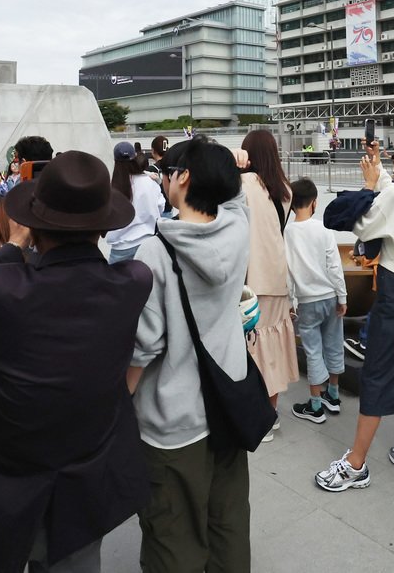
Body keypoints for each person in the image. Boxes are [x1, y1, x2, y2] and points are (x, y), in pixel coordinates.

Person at [0, 151, 152, 573]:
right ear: (103, 225)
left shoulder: (2, 287)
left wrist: (14, 245)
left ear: (35, 226)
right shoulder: (132, 283)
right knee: (75, 556)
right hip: (87, 464)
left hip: (1, 470)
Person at [129, 135, 253, 572]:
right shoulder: (238, 229)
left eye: (167, 173)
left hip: (174, 420)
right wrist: (232, 164)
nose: (163, 181)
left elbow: (144, 347)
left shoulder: (154, 252)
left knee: (172, 536)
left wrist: (118, 401)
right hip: (227, 405)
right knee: (228, 524)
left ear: (182, 178)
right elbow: (238, 199)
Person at [315, 126, 394, 493]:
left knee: (377, 371)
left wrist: (368, 187)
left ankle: (355, 463)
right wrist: (378, 175)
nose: (392, 153)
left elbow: (360, 222)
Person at [239, 129, 299, 431]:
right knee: (272, 348)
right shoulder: (285, 189)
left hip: (252, 279)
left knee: (252, 351)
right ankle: (271, 415)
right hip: (278, 277)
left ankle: (257, 419)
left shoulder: (245, 184)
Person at [285, 177, 346, 424]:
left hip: (307, 301)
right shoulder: (323, 229)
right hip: (330, 296)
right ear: (314, 203)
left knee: (313, 351)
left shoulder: (287, 233)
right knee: (333, 343)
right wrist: (342, 296)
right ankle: (333, 394)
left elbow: (287, 270)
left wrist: (291, 301)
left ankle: (316, 406)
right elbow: (334, 266)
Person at [105, 141, 165, 263]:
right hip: (147, 244)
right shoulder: (149, 182)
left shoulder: (113, 188)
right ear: (134, 157)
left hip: (120, 247)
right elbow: (161, 207)